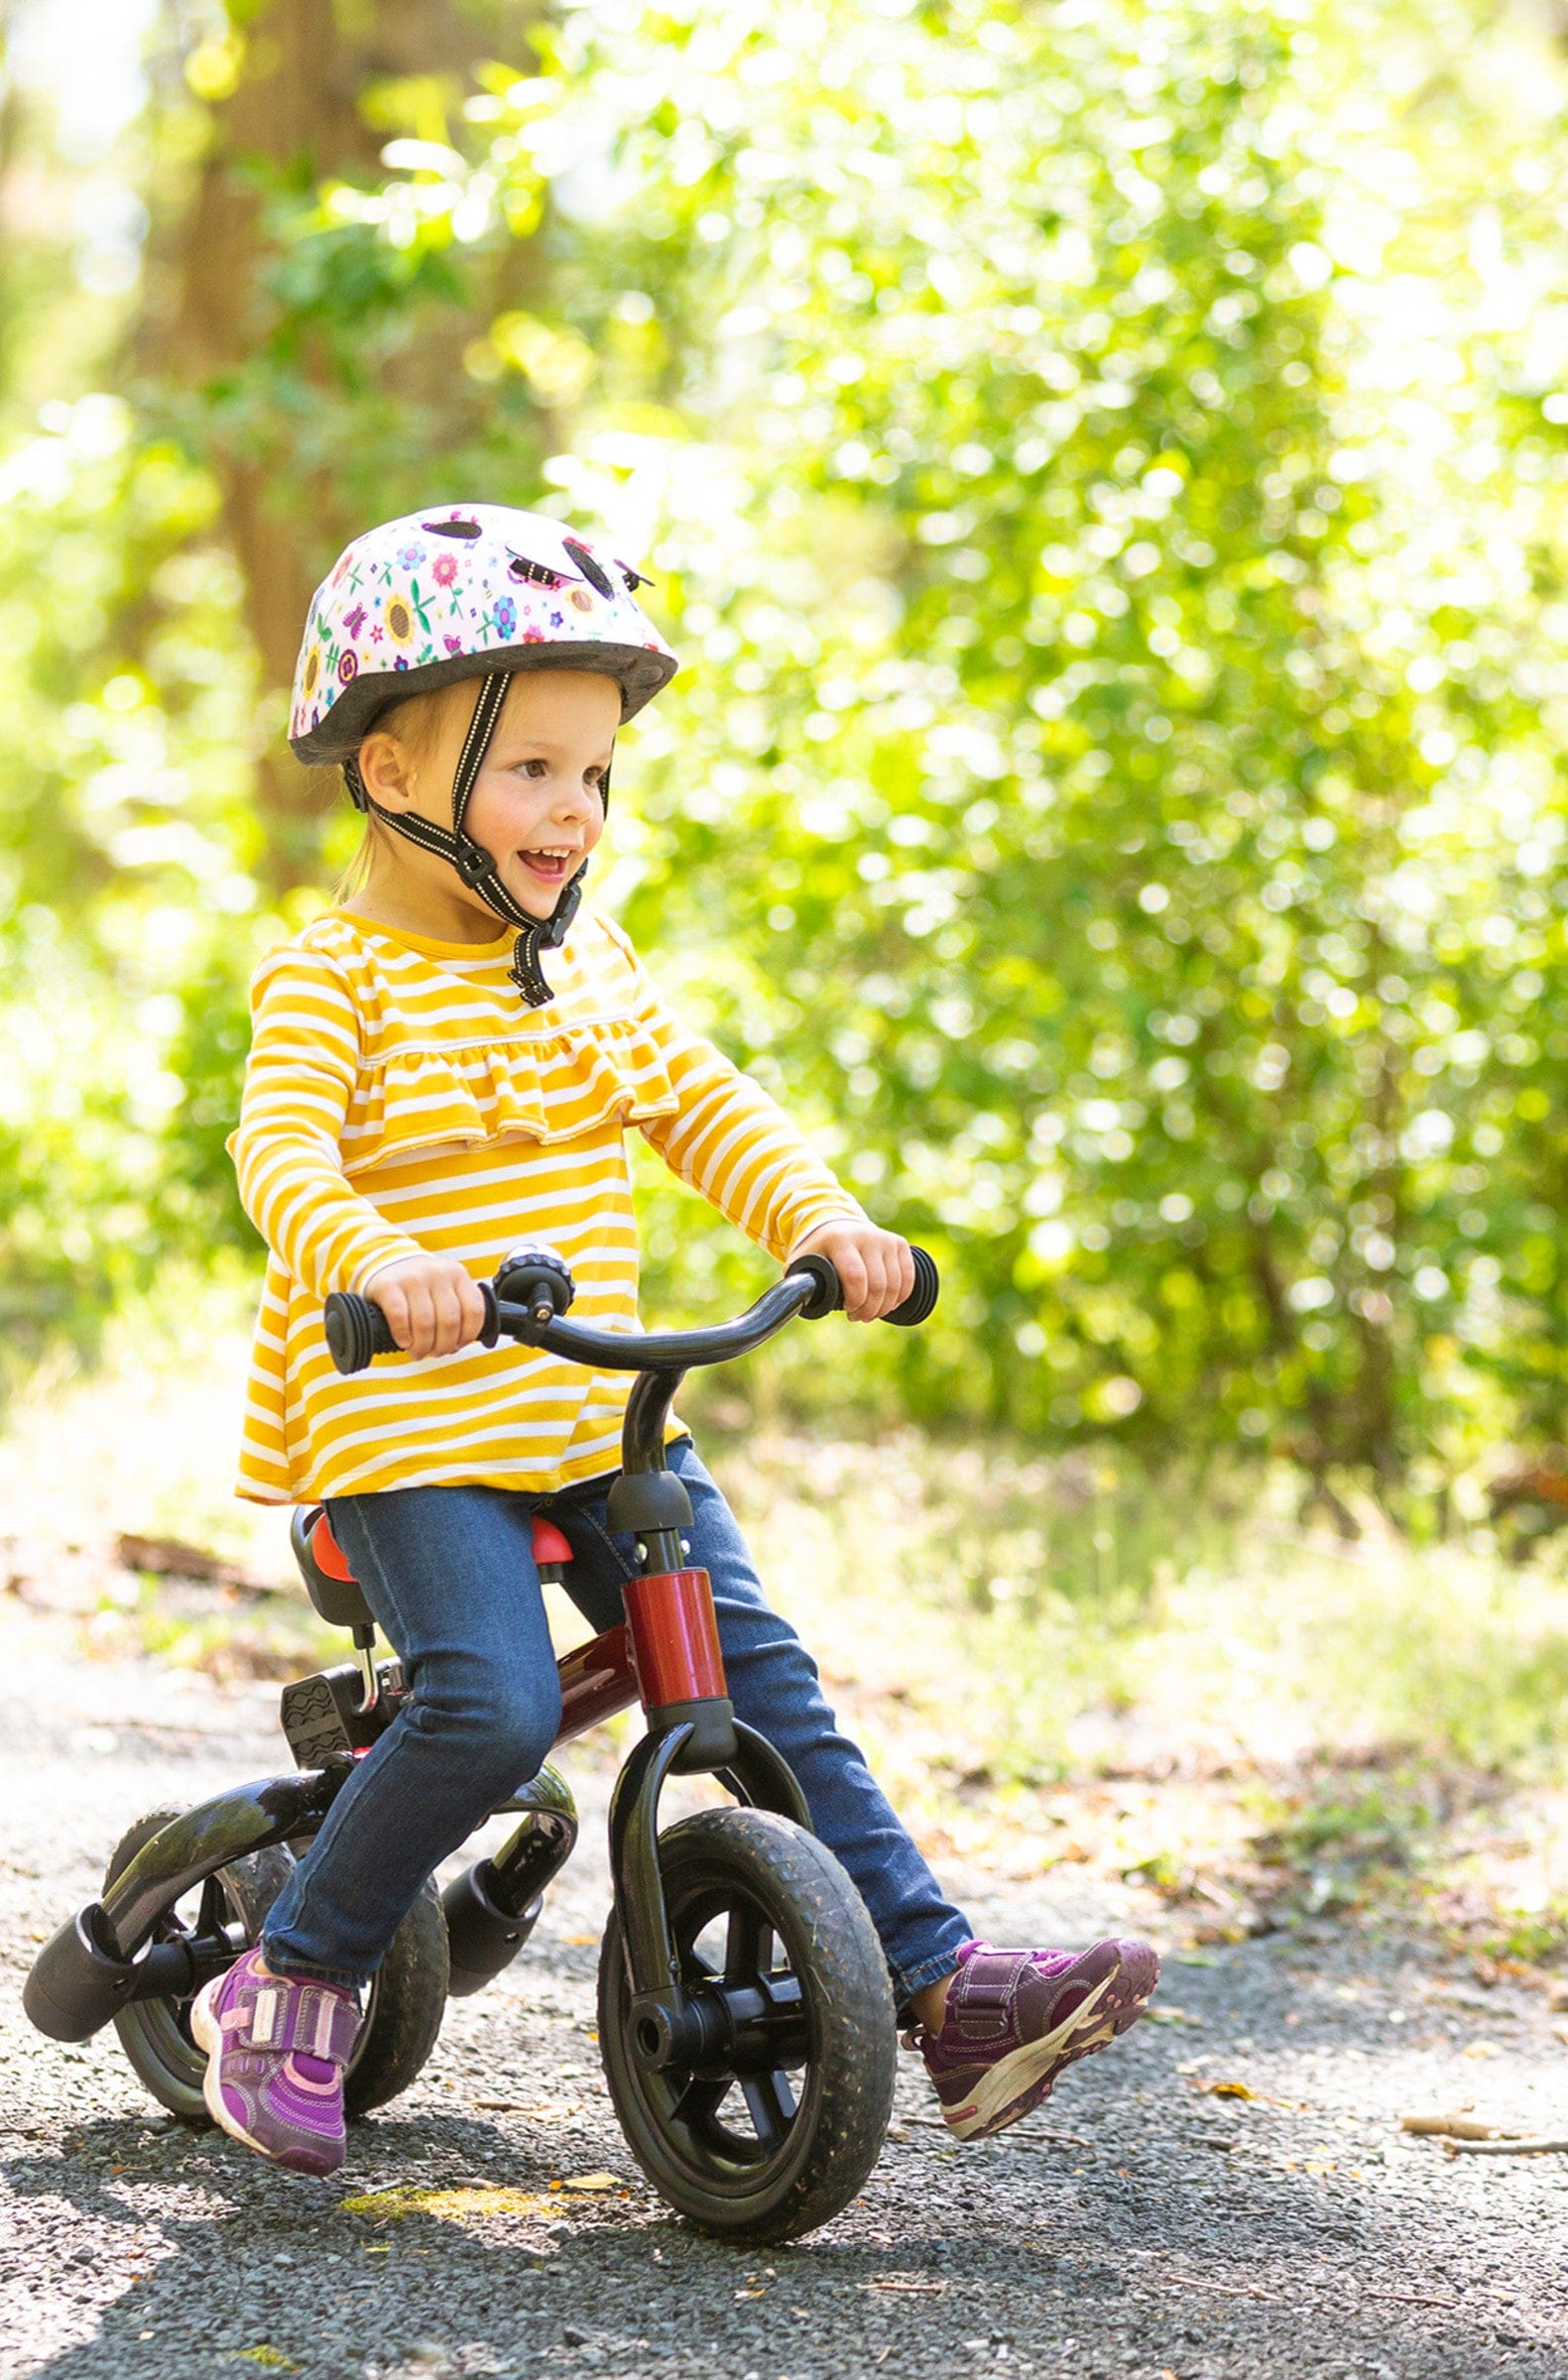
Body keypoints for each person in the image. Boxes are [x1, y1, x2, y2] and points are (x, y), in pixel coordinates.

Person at [191, 504, 1159, 2177]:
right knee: (490, 1708)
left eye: (592, 775)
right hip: (408, 1427)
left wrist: (824, 1224)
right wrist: (379, 1256)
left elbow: (703, 1104)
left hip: (595, 1417)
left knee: (762, 1683)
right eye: (530, 771)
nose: (572, 812)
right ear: (398, 774)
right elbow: (280, 1151)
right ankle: (290, 1977)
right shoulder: (329, 976)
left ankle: (939, 1991)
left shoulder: (586, 973)